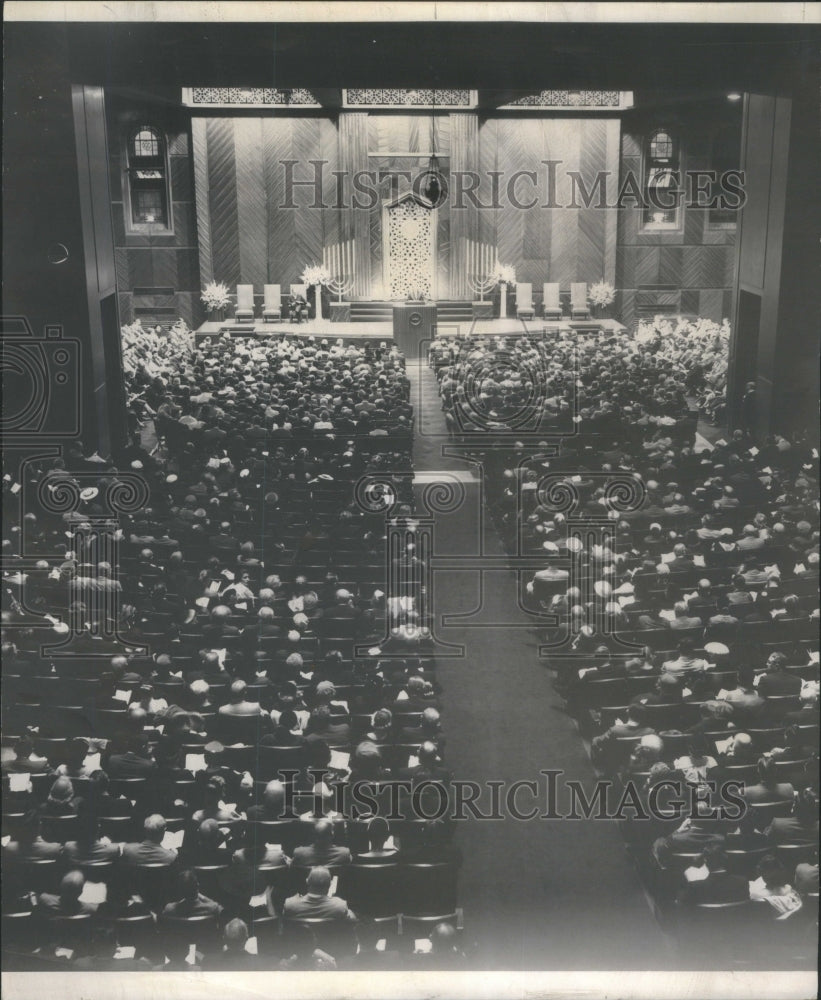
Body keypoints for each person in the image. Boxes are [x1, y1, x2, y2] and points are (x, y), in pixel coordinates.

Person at [283, 865, 357, 922]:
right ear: (330, 884)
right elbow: (352, 923)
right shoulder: (340, 906)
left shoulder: (290, 904)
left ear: (307, 881)